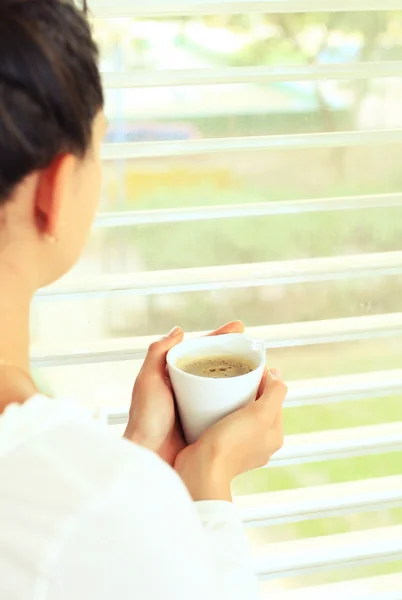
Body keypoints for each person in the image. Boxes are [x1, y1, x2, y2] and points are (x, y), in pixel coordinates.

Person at [0, 1, 287, 598]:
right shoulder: (103, 507)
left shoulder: (92, 496)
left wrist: (138, 457)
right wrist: (207, 484)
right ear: (53, 188)